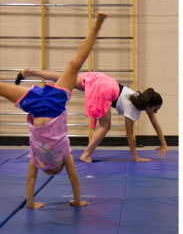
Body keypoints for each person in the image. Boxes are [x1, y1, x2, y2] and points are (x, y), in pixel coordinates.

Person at [1, 12, 106, 209]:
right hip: (55, 105)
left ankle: (96, 27)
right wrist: (76, 201)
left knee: (74, 65)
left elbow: (32, 181)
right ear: (58, 167)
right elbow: (74, 179)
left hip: (35, 105)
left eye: (49, 171)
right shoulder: (64, 154)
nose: (50, 170)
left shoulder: (36, 158)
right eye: (53, 170)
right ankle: (96, 28)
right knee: (74, 65)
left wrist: (31, 204)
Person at [18, 69, 167, 163]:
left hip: (102, 79)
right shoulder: (133, 109)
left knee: (66, 79)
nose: (155, 113)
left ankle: (31, 72)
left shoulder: (138, 98)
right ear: (148, 106)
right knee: (105, 126)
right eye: (155, 109)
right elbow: (129, 136)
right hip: (106, 90)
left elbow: (155, 123)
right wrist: (136, 157)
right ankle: (86, 154)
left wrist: (164, 143)